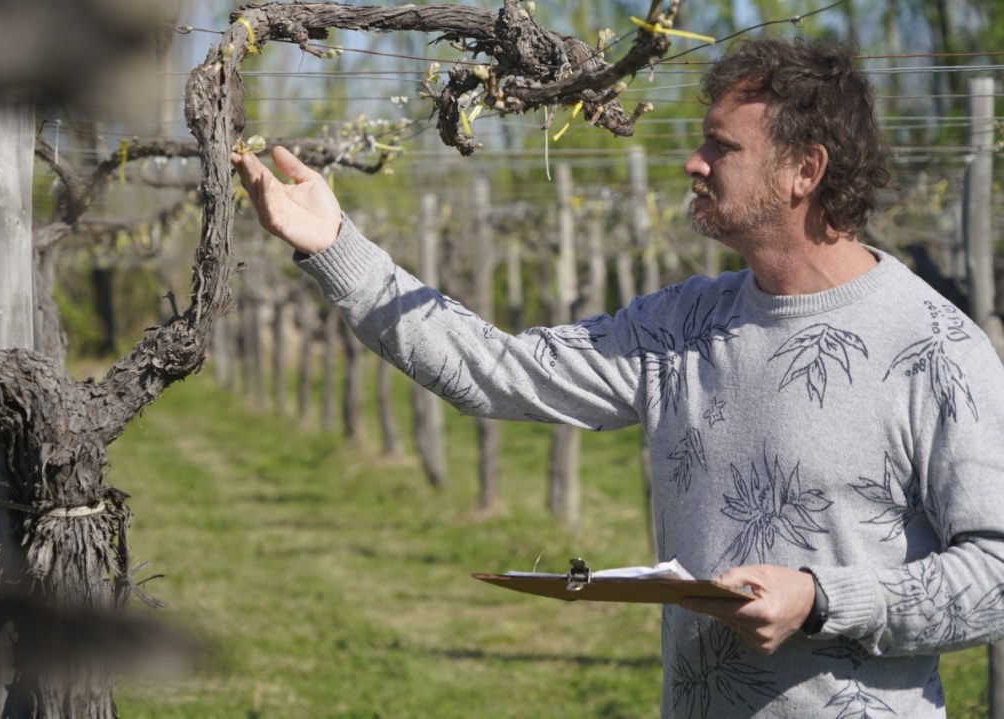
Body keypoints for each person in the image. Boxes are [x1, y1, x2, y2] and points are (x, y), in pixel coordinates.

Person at [233, 37, 1004, 718]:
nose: (693, 162)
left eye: (721, 147)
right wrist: (336, 249)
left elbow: (996, 575)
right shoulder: (681, 326)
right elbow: (496, 370)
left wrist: (820, 598)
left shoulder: (935, 348)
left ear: (805, 170)